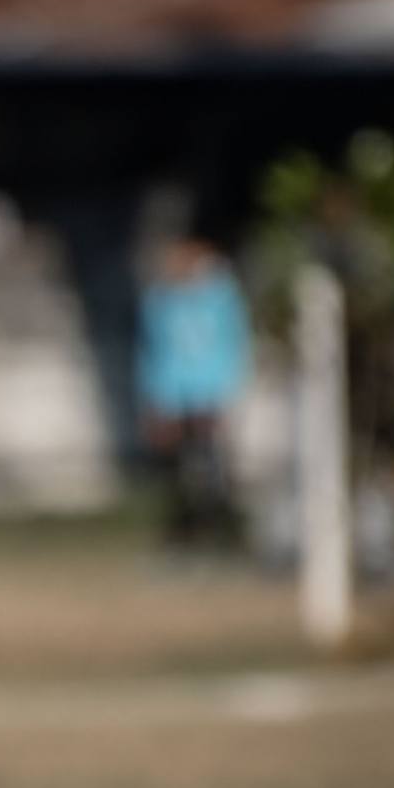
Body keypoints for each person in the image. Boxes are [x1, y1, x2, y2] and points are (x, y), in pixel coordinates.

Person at [137, 236, 252, 552]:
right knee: (175, 472)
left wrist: (226, 394)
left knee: (215, 468)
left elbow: (233, 346)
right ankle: (182, 533)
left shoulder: (221, 296)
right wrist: (157, 401)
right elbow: (153, 353)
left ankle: (223, 531)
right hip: (173, 397)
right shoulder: (159, 300)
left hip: (210, 394)